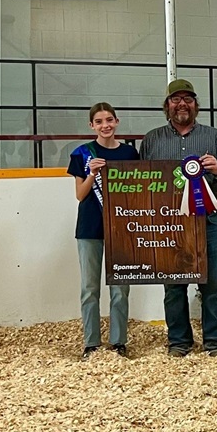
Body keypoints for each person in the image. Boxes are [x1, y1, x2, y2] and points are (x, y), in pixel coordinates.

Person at [140, 79, 217, 357]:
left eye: (187, 99)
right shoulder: (151, 140)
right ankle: (179, 341)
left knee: (213, 284)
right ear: (167, 106)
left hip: (208, 219)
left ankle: (215, 343)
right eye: (175, 99)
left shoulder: (214, 137)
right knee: (173, 285)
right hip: (169, 223)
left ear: (196, 105)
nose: (181, 104)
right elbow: (140, 182)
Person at [67, 102, 140, 361]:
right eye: (99, 121)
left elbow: (137, 191)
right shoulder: (81, 154)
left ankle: (119, 341)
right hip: (90, 227)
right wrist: (92, 174)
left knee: (121, 287)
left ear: (117, 122)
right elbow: (80, 195)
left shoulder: (131, 154)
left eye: (109, 120)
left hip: (122, 226)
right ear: (91, 125)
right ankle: (91, 343)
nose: (105, 125)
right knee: (90, 287)